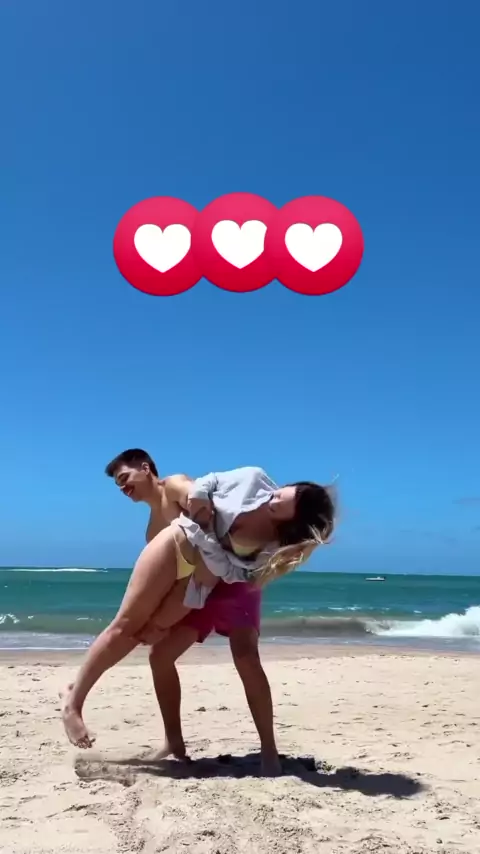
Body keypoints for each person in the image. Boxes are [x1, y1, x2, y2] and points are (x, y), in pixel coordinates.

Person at [61, 451, 335, 759]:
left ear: (145, 468)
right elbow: (202, 503)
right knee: (149, 642)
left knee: (245, 656)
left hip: (224, 583)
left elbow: (201, 502)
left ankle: (269, 751)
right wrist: (167, 611)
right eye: (118, 484)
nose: (123, 488)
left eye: (125, 479)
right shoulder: (155, 528)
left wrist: (205, 544)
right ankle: (168, 740)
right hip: (198, 580)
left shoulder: (176, 486)